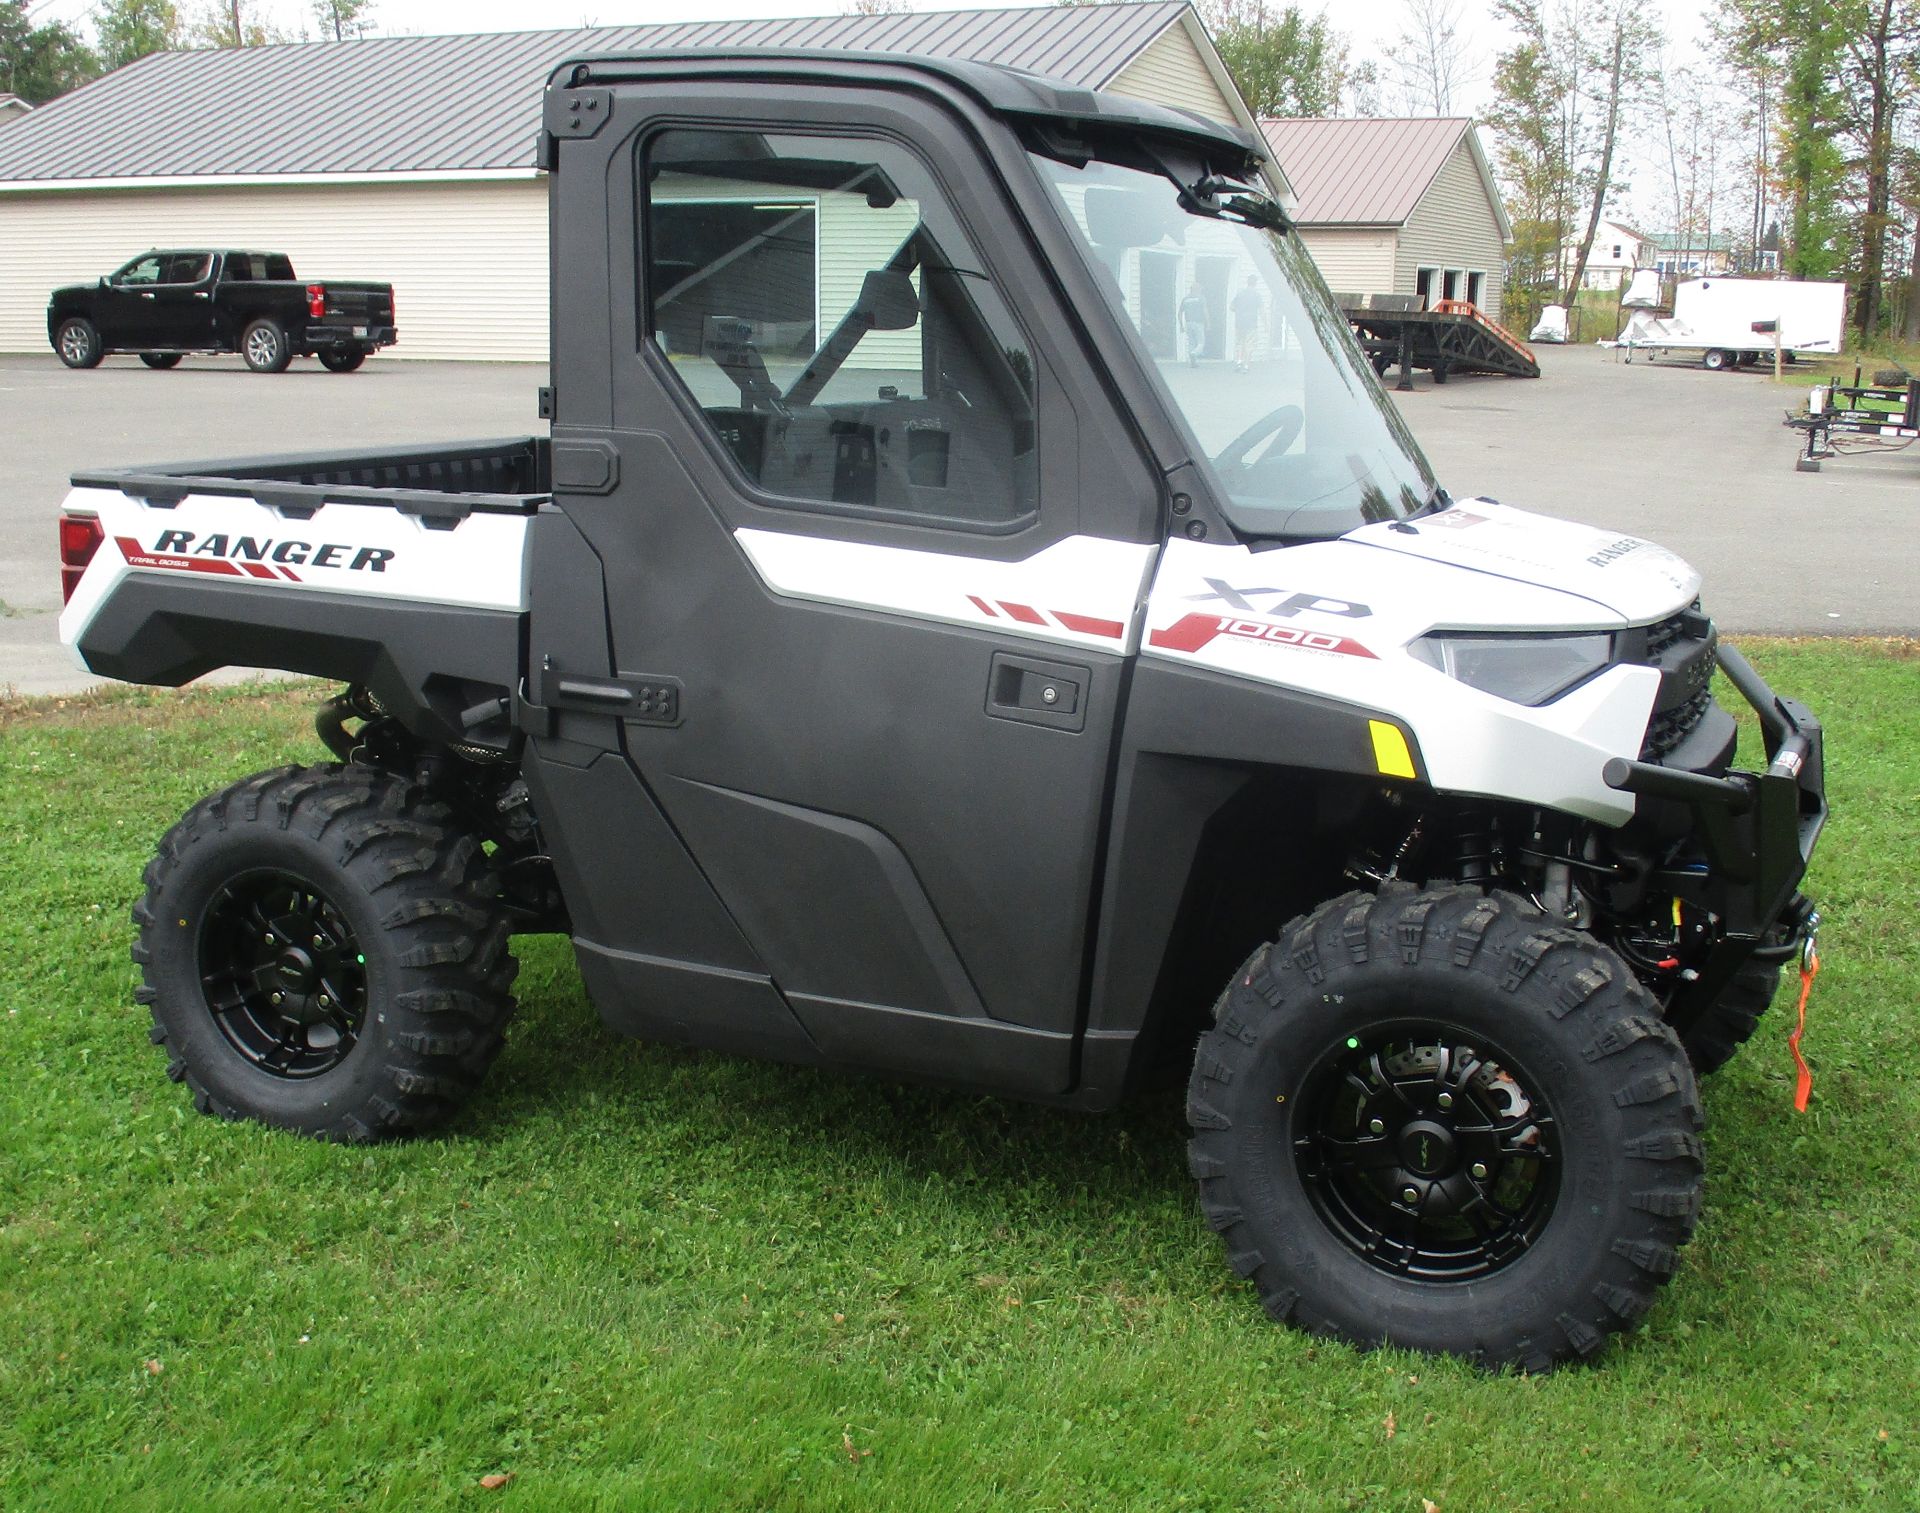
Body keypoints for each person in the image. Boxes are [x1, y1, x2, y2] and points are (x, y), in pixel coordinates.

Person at [1231, 275, 1264, 371]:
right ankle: (1246, 365)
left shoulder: (1240, 294)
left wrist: (1240, 310)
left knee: (1240, 343)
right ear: (1255, 283)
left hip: (1240, 322)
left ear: (1247, 282)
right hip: (1251, 323)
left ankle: (1239, 362)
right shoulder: (1257, 295)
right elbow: (1261, 310)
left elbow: (1232, 307)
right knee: (1249, 344)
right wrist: (1266, 324)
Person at [1179, 286, 1208, 365]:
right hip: (1198, 323)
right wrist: (1208, 322)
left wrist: (1181, 324)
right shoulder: (1201, 298)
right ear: (1197, 289)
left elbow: (1180, 312)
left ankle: (1192, 362)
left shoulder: (1185, 299)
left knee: (1191, 342)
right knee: (1201, 342)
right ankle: (1194, 353)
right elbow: (1205, 310)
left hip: (1188, 323)